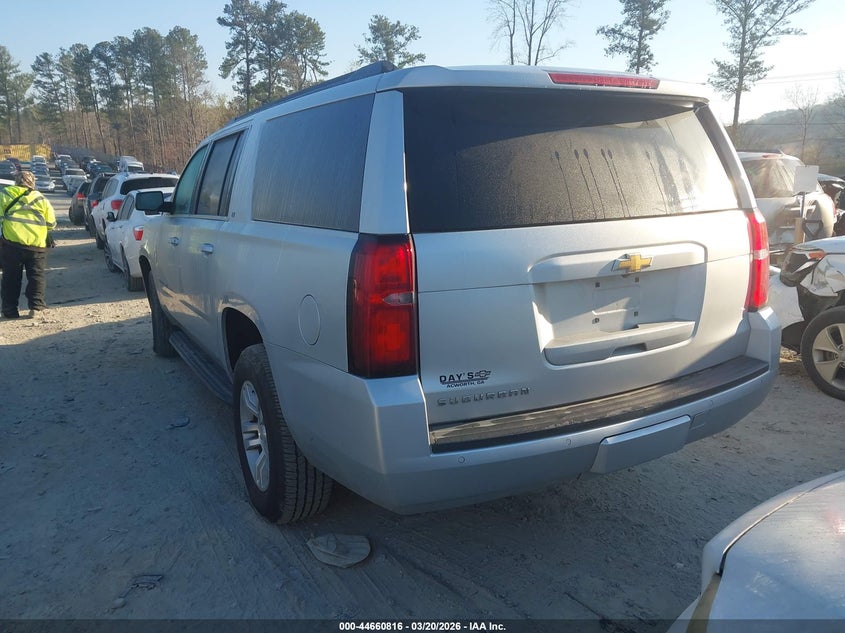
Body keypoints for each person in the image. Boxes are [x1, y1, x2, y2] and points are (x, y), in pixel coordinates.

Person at [0, 170, 57, 319]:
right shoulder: (41, 199)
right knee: (36, 277)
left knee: (11, 278)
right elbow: (51, 223)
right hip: (36, 245)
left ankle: (10, 310)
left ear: (16, 181)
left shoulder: (5, 195)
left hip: (11, 244)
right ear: (32, 183)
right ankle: (36, 308)